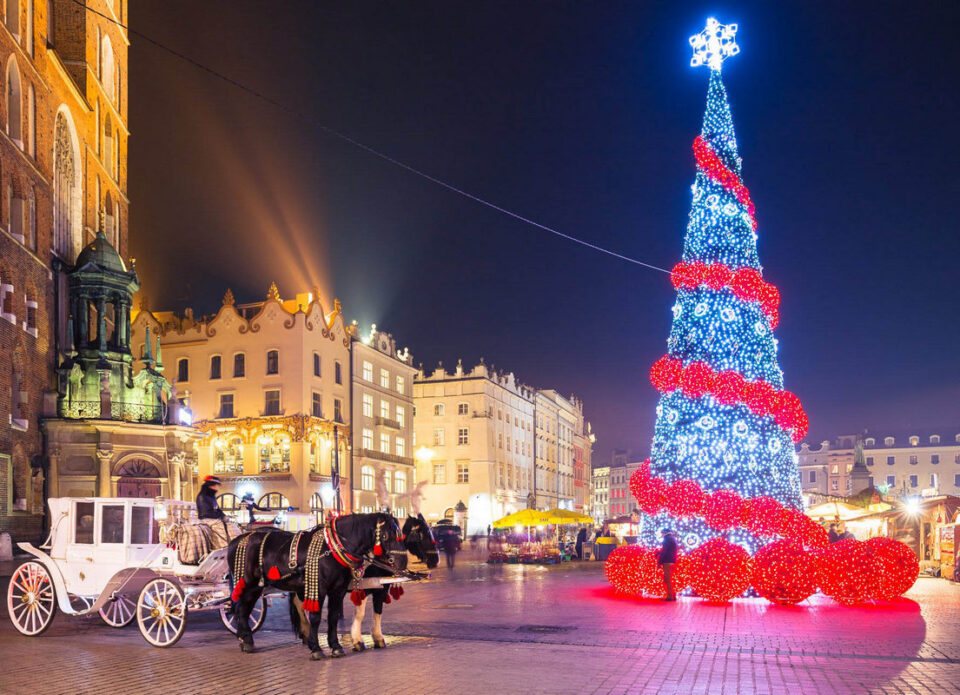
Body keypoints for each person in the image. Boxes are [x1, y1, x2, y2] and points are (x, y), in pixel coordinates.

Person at [658, 528, 678, 601]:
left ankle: (670, 596)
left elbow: (664, 551)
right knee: (670, 579)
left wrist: (659, 562)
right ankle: (673, 595)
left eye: (662, 533)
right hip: (672, 561)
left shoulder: (666, 539)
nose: (661, 535)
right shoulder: (672, 538)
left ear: (665, 533)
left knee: (667, 580)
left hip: (667, 562)